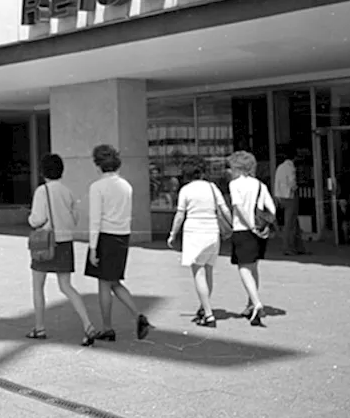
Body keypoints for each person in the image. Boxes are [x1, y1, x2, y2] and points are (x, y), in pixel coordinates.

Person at [26, 153, 97, 345]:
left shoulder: (42, 191)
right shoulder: (67, 192)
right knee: (66, 286)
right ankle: (88, 324)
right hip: (65, 243)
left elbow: (36, 219)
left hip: (45, 243)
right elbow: (74, 219)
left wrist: (31, 219)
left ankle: (39, 328)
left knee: (38, 286)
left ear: (43, 172)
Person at [85, 145, 152, 341]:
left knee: (104, 284)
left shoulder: (97, 187)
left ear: (98, 165)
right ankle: (138, 315)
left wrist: (92, 247)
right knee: (114, 281)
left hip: (105, 236)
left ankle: (107, 327)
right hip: (122, 236)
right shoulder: (126, 185)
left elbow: (95, 219)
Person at [168, 157, 230, 328]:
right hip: (212, 232)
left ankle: (208, 314)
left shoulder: (186, 190)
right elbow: (224, 208)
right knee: (208, 271)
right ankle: (204, 307)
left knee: (198, 272)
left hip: (194, 233)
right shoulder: (212, 187)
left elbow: (180, 214)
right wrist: (232, 225)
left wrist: (173, 234)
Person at [227, 151, 277, 326]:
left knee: (243, 268)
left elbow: (238, 207)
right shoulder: (260, 185)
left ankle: (256, 303)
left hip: (242, 229)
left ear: (236, 167)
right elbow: (272, 208)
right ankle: (250, 303)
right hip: (259, 231)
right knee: (254, 266)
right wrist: (260, 225)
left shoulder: (235, 185)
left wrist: (249, 224)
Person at [274, 148, 305, 255]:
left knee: (293, 222)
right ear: (294, 157)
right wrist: (296, 188)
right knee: (290, 223)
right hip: (290, 196)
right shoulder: (290, 167)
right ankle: (288, 248)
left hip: (281, 197)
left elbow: (276, 182)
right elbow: (292, 183)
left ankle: (299, 247)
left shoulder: (280, 167)